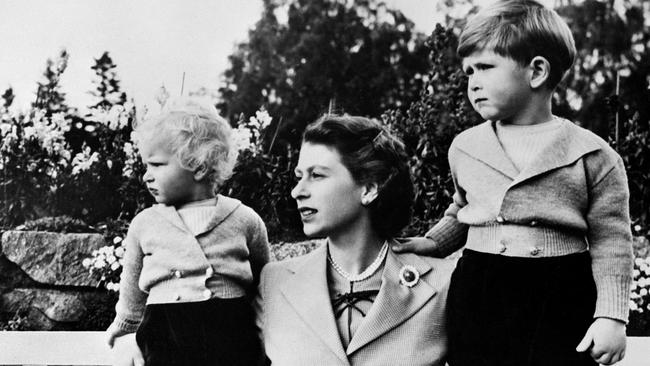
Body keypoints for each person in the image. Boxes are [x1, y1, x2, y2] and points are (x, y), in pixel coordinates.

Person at [393, 1, 634, 365]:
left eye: (485, 68)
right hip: (480, 287)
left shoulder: (592, 154)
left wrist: (611, 316)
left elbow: (612, 238)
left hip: (560, 292)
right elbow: (462, 208)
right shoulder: (466, 147)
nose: (473, 82)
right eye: (468, 71)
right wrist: (433, 242)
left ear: (537, 71)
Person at [256, 115, 454, 365]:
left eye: (316, 175)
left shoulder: (443, 283)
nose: (298, 191)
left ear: (369, 189)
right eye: (299, 176)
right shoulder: (273, 283)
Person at [105, 97, 270, 366]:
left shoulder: (244, 219)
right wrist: (126, 328)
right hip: (165, 332)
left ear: (199, 166)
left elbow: (265, 281)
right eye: (146, 166)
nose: (146, 175)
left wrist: (267, 330)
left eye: (157, 165)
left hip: (231, 332)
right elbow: (132, 288)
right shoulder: (145, 223)